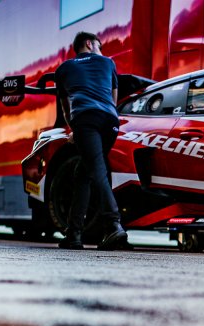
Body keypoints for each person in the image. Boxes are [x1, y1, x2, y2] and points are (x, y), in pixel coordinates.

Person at [54, 32, 128, 251]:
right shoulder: (108, 63)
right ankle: (74, 234)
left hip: (86, 120)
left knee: (96, 170)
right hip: (110, 122)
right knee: (83, 173)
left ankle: (113, 224)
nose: (101, 50)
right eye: (99, 45)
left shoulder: (64, 69)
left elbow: (66, 108)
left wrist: (75, 130)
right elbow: (113, 99)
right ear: (89, 43)